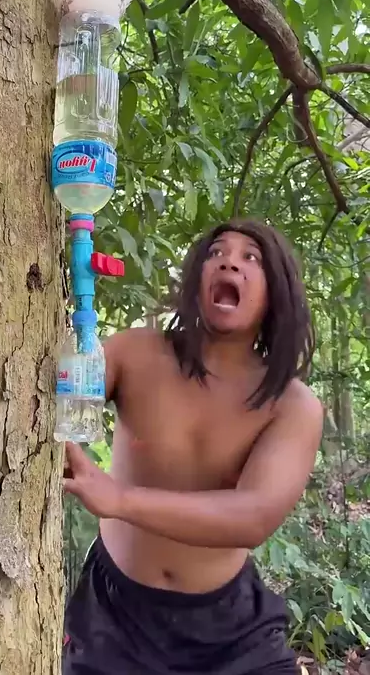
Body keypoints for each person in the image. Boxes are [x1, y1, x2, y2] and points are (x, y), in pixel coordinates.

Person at [62, 219, 323, 675]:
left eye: (250, 258)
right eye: (216, 252)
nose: (229, 262)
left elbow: (253, 517)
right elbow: (63, 398)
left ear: (275, 290)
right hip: (112, 617)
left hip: (231, 634)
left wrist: (119, 499)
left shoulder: (292, 404)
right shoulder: (134, 352)